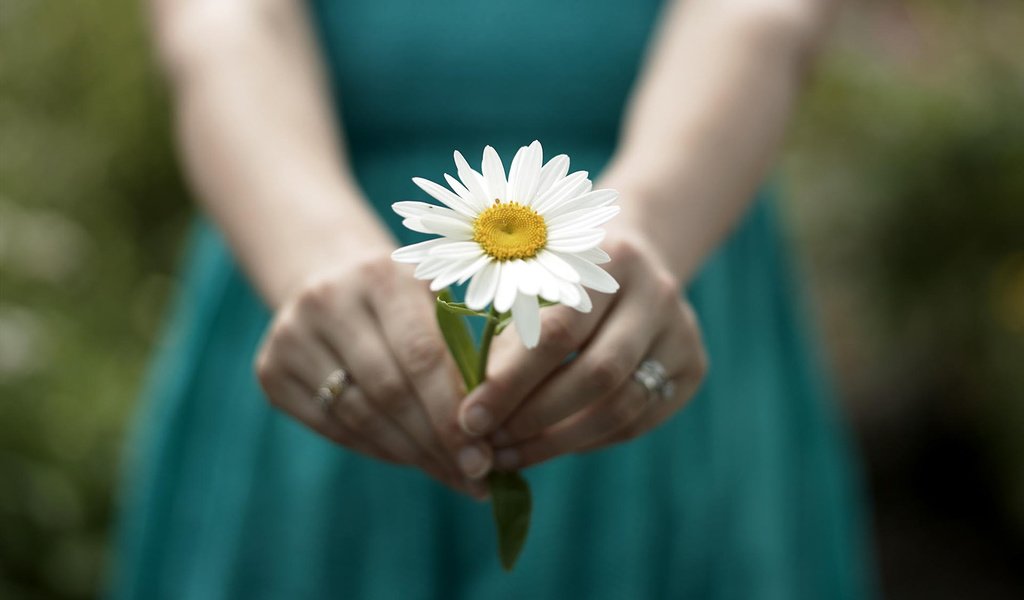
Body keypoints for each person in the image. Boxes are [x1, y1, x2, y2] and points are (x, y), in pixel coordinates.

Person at [110, 0, 873, 597]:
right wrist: (315, 253)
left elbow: (759, 14)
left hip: (660, 258)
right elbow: (224, 21)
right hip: (306, 262)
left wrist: (642, 223)